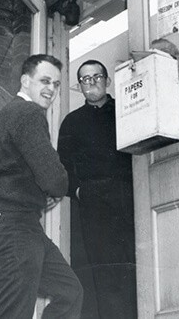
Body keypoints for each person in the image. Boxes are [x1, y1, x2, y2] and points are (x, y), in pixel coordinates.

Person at [0, 54, 83, 319]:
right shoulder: (30, 113)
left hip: (15, 225)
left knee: (69, 291)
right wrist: (58, 186)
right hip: (13, 227)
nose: (51, 90)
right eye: (45, 81)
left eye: (56, 84)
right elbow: (54, 179)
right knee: (15, 313)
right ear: (25, 80)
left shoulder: (7, 114)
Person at [57, 59, 137, 319]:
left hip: (130, 196)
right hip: (94, 205)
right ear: (79, 86)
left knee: (136, 268)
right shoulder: (72, 122)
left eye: (96, 77)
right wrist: (80, 192)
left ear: (107, 80)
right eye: (85, 79)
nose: (91, 83)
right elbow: (63, 169)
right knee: (104, 274)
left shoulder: (127, 109)